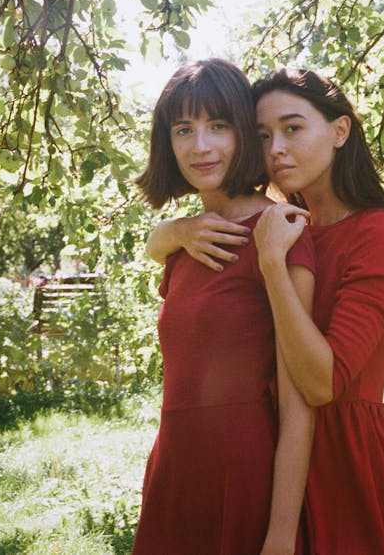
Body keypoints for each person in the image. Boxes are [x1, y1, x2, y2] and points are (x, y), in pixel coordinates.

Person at [147, 66, 384, 555]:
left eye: (293, 129)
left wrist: (272, 261)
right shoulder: (292, 223)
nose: (276, 148)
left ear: (340, 131)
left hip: (342, 457)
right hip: (271, 452)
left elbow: (320, 385)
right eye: (262, 134)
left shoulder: (375, 235)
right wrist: (171, 231)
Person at [131, 59, 316, 555]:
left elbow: (299, 407)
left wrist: (280, 533)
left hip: (245, 477)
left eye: (218, 126)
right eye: (183, 129)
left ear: (244, 133)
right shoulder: (185, 240)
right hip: (174, 469)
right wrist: (170, 233)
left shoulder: (281, 231)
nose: (200, 146)